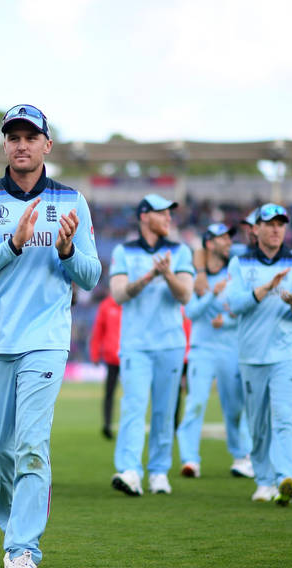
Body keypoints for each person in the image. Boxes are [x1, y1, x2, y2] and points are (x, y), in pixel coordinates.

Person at [0, 104, 100, 568]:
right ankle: (14, 526)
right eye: (13, 137)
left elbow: (91, 276)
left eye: (30, 137)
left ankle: (21, 550)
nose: (21, 144)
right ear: (4, 144)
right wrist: (12, 245)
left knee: (31, 445)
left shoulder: (72, 201)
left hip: (46, 341)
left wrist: (68, 251)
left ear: (47, 145)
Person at [226, 203, 292, 506]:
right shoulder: (239, 264)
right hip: (252, 355)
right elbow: (235, 304)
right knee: (258, 425)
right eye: (270, 224)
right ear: (256, 229)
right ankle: (263, 481)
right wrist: (266, 289)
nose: (276, 229)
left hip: (286, 354)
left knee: (285, 417)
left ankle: (287, 477)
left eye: (281, 224)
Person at [109, 194, 194, 497]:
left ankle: (159, 472)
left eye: (170, 213)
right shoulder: (124, 251)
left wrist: (167, 273)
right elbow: (119, 294)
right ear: (144, 216)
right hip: (135, 344)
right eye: (162, 212)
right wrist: (148, 277)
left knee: (164, 411)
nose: (169, 218)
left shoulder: (180, 251)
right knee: (133, 407)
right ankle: (130, 470)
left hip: (170, 344)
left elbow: (185, 295)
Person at [177, 223, 253, 479]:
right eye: (222, 238)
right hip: (202, 349)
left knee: (234, 407)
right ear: (209, 243)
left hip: (231, 349)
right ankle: (190, 460)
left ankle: (241, 457)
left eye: (229, 238)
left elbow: (242, 309)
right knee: (195, 403)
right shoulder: (193, 274)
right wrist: (212, 294)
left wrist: (228, 321)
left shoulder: (236, 270)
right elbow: (191, 312)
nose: (229, 242)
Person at [89, 294, 121, 440]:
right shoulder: (106, 305)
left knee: (133, 395)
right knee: (109, 393)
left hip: (130, 356)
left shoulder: (131, 302)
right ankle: (107, 425)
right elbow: (98, 331)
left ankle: (129, 425)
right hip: (112, 357)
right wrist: (95, 354)